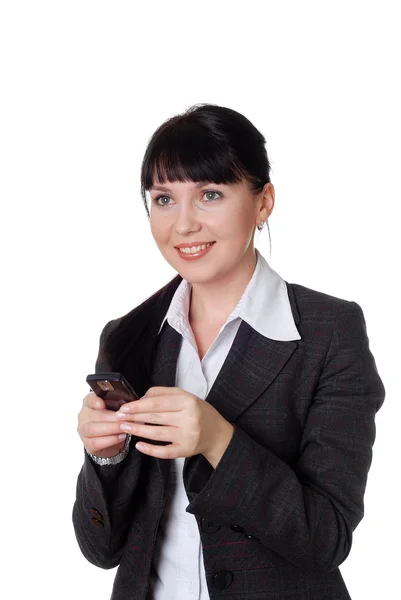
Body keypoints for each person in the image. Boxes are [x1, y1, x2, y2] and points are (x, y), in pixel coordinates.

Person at [72, 103, 385, 600]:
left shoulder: (328, 332)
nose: (184, 225)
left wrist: (219, 440)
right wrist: (103, 458)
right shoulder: (128, 334)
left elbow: (327, 538)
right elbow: (102, 549)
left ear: (263, 203)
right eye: (163, 199)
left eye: (210, 194)